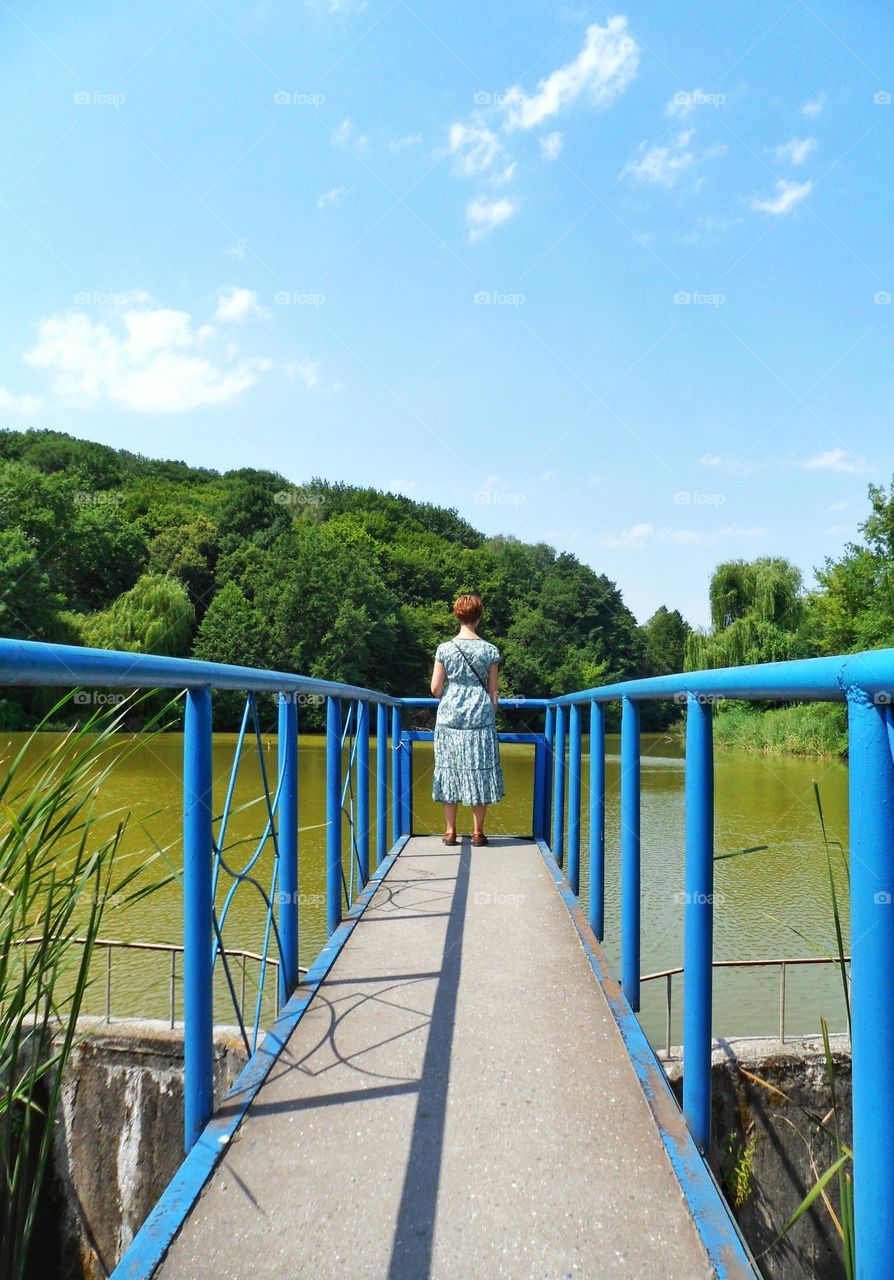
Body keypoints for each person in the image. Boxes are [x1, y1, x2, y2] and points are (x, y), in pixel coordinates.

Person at [430, 593, 505, 846]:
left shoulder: (445, 649)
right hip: (479, 717)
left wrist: (453, 695)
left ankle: (450, 832)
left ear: (457, 615)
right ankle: (477, 833)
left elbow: (435, 688)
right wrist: (488, 709)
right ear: (479, 616)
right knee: (478, 770)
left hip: (449, 717)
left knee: (449, 769)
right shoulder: (490, 650)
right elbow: (493, 690)